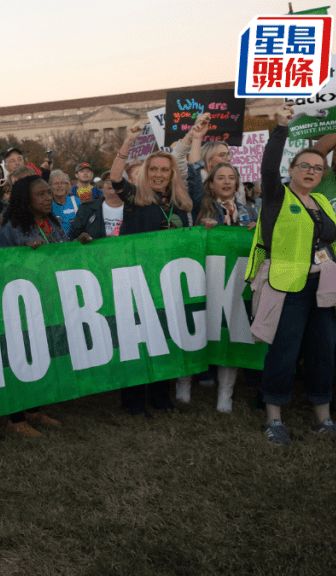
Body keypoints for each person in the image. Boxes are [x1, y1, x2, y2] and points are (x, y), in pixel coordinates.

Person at [244, 103, 336, 446]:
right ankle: (274, 419)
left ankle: (324, 419)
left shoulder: (321, 202)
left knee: (322, 352)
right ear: (291, 169)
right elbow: (268, 166)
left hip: (324, 287)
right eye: (304, 165)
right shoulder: (277, 195)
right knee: (284, 351)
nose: (311, 171)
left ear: (323, 174)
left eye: (317, 168)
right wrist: (280, 129)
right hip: (287, 286)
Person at [109, 123, 194, 417]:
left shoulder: (182, 205)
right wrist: (129, 142)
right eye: (153, 169)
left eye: (164, 170)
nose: (159, 174)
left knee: (167, 338)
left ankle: (161, 397)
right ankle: (134, 402)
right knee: (139, 341)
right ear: (146, 172)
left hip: (169, 281)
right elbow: (115, 177)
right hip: (137, 280)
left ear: (172, 174)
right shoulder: (136, 198)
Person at [171, 163, 258, 412]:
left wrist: (255, 231)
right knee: (195, 330)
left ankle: (225, 395)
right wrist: (202, 229)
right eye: (221, 177)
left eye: (232, 177)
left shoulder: (249, 211)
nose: (227, 182)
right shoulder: (199, 206)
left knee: (231, 334)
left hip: (235, 285)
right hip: (204, 282)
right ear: (211, 183)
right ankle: (183, 385)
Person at [0, 174, 68, 436]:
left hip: (48, 298)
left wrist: (78, 247)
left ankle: (35, 410)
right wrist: (25, 255)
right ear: (26, 200)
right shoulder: (12, 228)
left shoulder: (52, 221)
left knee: (40, 354)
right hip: (22, 303)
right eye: (42, 194)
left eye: (49, 193)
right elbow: (1, 267)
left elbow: (62, 254)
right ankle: (15, 419)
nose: (49, 198)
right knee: (20, 356)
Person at [68, 172, 125, 240]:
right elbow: (72, 238)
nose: (110, 182)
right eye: (107, 180)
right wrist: (79, 239)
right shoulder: (86, 209)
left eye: (115, 180)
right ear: (103, 186)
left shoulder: (135, 209)